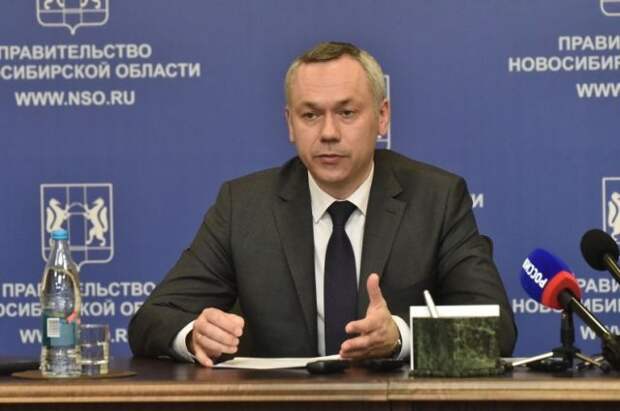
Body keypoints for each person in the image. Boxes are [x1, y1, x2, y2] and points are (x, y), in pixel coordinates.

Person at [128, 41, 517, 367]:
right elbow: (151, 320)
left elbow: (496, 329)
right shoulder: (244, 207)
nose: (329, 132)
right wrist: (194, 335)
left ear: (382, 116)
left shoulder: (437, 199)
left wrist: (400, 337)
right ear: (290, 123)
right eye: (311, 115)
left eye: (347, 113)